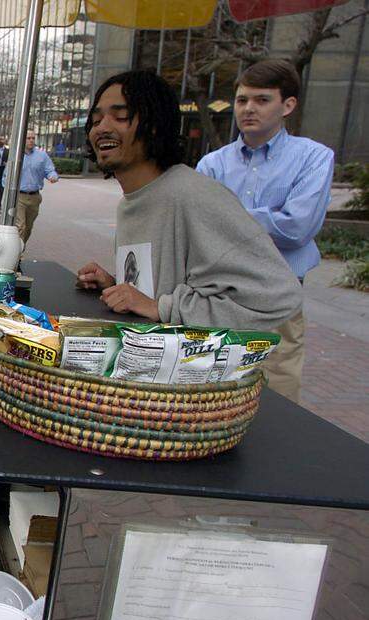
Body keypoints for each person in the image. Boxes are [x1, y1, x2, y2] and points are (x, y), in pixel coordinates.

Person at [75, 70, 302, 399]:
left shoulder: (193, 195)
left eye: (120, 115)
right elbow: (162, 292)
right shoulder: (134, 200)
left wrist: (164, 308)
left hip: (218, 399)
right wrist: (117, 286)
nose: (102, 127)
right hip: (165, 393)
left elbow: (279, 297)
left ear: (154, 124)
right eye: (95, 119)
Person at [195, 59, 332, 402]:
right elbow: (199, 228)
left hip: (280, 293)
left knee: (280, 392)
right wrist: (266, 217)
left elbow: (296, 228)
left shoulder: (313, 158)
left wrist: (228, 216)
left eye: (261, 99)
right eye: (242, 100)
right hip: (222, 293)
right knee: (215, 390)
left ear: (288, 105)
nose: (248, 109)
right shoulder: (213, 163)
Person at [5, 131, 58, 243]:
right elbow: (6, 175)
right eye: (28, 138)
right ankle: (16, 253)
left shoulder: (42, 155)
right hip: (19, 196)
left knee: (28, 228)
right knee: (21, 226)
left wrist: (52, 176)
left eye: (33, 138)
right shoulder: (16, 155)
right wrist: (8, 191)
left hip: (35, 197)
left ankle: (20, 248)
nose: (31, 140)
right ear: (23, 139)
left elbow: (49, 170)